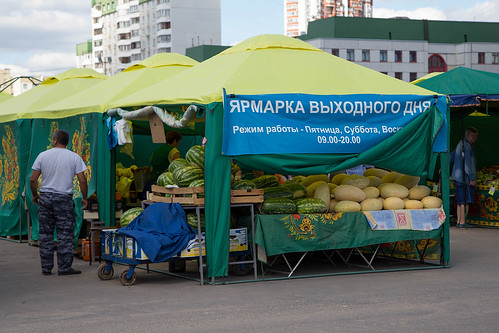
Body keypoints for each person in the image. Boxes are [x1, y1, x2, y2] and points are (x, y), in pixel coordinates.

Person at [30, 130, 88, 276]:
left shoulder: (43, 156)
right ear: (66, 142)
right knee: (65, 234)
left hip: (45, 198)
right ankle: (64, 268)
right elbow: (82, 180)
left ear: (55, 140)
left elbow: (33, 179)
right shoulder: (74, 157)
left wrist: (35, 195)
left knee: (45, 234)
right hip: (64, 199)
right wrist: (85, 197)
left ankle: (46, 268)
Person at [451, 127, 478, 228]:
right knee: (465, 201)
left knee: (460, 201)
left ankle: (459, 221)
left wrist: (443, 166)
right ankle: (463, 222)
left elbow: (452, 156)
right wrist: (472, 178)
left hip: (457, 177)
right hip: (464, 178)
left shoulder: (460, 143)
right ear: (467, 135)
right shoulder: (466, 146)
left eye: (475, 136)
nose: (474, 138)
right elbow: (467, 164)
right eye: (472, 136)